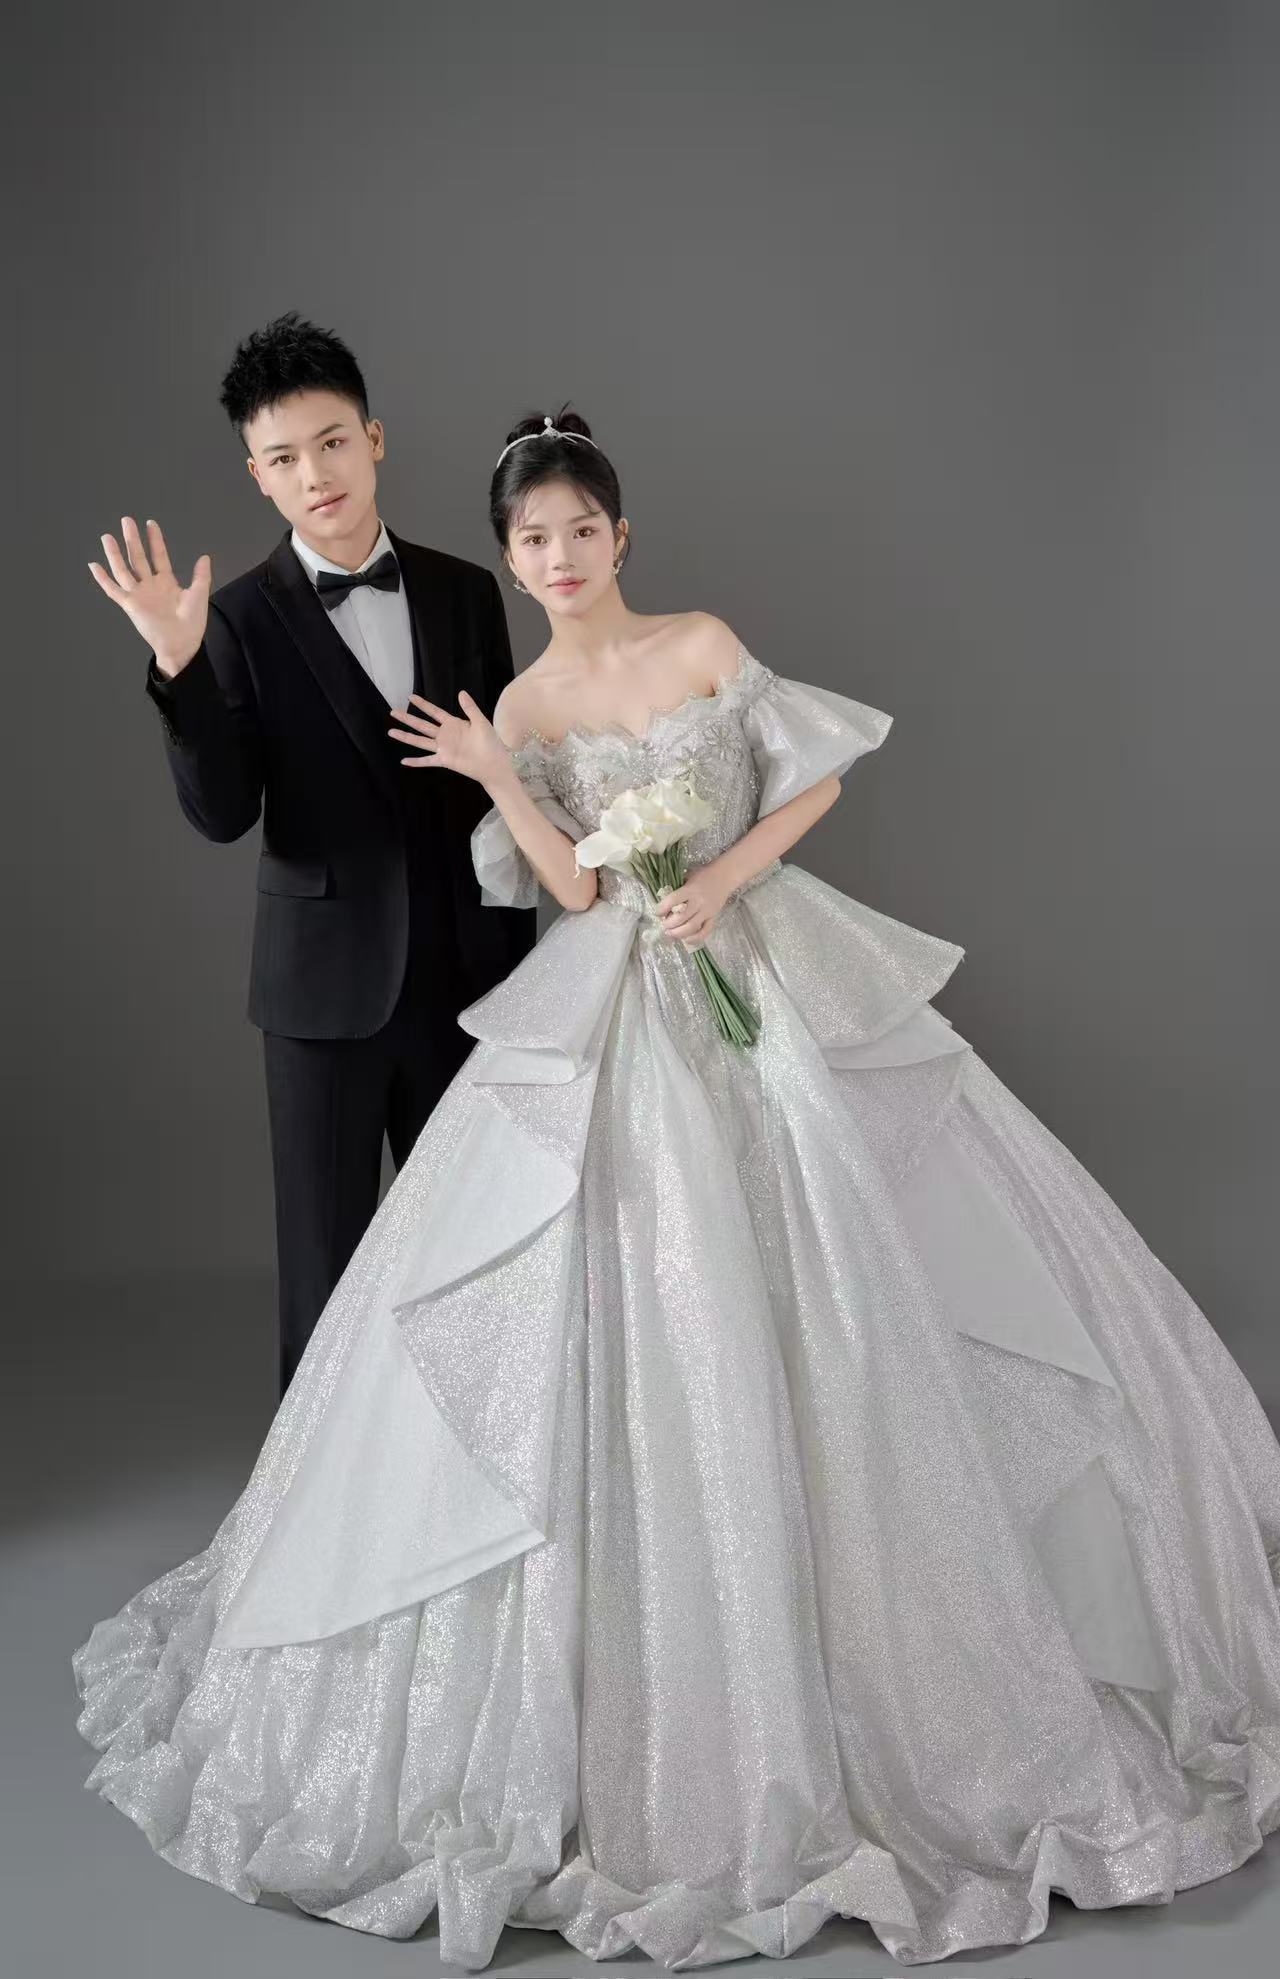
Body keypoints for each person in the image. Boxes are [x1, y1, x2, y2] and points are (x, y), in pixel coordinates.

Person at [73, 407, 1280, 1971]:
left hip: (754, 966)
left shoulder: (703, 641)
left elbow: (810, 787)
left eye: (581, 529)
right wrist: (502, 771)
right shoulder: (522, 697)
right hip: (614, 1005)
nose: (559, 555)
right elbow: (571, 885)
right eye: (533, 539)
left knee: (845, 1271)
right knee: (626, 1298)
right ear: (511, 559)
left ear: (619, 534)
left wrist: (718, 874)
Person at [87, 314, 536, 1396]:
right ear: (257, 476)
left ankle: (476, 1485)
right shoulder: (232, 619)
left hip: (471, 978)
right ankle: (320, 1500)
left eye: (332, 442)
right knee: (324, 1277)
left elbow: (508, 780)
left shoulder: (465, 591)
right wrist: (179, 665)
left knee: (482, 1260)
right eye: (283, 458)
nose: (315, 475)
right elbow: (222, 813)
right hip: (321, 996)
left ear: (373, 439)